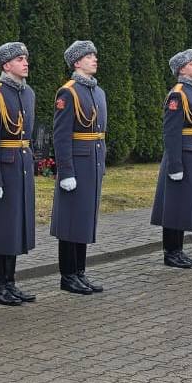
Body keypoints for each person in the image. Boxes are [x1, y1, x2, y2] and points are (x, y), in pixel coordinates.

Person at [0, 42, 37, 305]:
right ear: (6, 65)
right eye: (19, 59)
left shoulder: (28, 93)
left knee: (14, 227)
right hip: (3, 170)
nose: (25, 63)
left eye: (25, 58)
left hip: (21, 168)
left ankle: (10, 282)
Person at [50, 40, 108, 294]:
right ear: (76, 62)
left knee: (84, 219)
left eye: (94, 55)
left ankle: (80, 272)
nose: (94, 59)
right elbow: (61, 135)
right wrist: (66, 172)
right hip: (76, 165)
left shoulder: (98, 92)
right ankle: (68, 275)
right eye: (88, 56)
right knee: (70, 221)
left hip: (92, 163)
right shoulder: (68, 92)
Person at [151, 49, 192, 268]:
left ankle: (179, 250)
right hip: (181, 157)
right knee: (174, 206)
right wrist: (175, 165)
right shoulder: (178, 94)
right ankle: (171, 252)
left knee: (184, 204)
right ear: (182, 69)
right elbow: (171, 133)